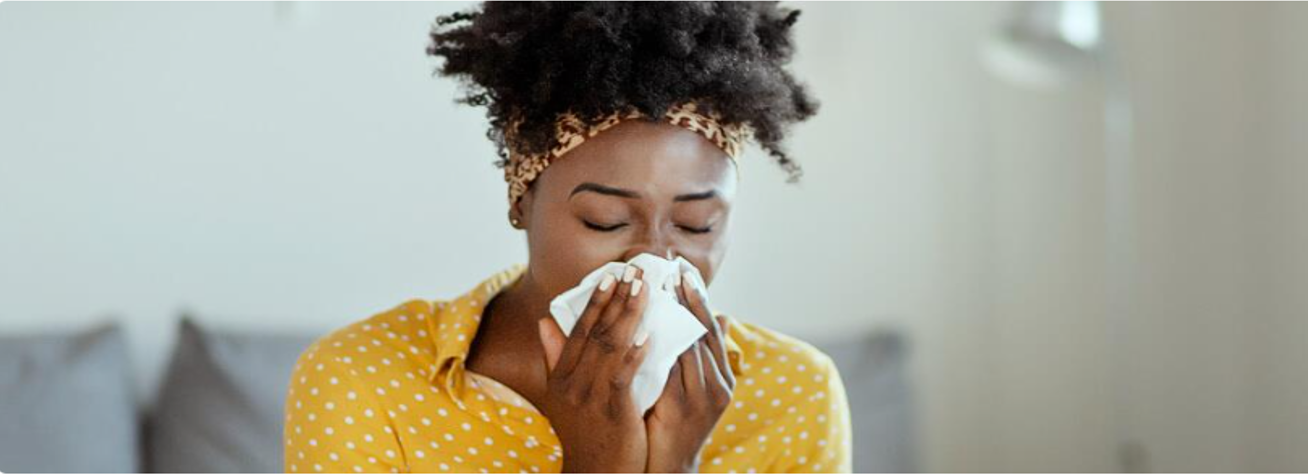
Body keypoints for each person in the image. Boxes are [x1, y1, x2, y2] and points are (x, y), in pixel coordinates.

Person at [284, 2, 851, 472]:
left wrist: (677, 465)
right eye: (606, 219)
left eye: (695, 224)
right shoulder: (365, 379)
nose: (654, 258)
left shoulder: (793, 393)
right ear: (522, 201)